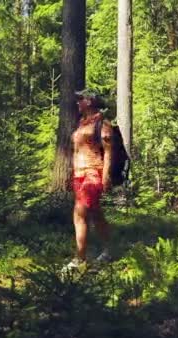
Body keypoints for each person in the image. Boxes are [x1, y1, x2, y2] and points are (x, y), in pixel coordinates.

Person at [63, 89, 113, 271]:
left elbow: (108, 152)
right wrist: (71, 174)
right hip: (79, 174)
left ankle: (80, 259)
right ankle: (109, 250)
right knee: (95, 213)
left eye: (80, 99)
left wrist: (105, 176)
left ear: (90, 101)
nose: (78, 103)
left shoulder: (102, 124)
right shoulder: (82, 124)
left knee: (79, 213)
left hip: (93, 173)